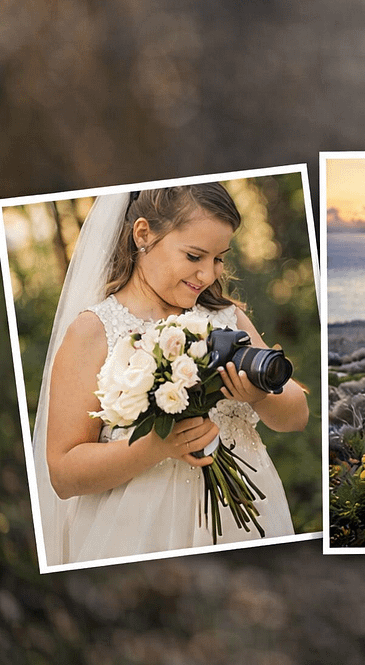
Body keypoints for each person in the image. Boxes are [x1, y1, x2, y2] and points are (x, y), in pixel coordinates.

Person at [35, 183, 309, 566]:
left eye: (219, 259)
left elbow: (297, 416)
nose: (208, 274)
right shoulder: (94, 330)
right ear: (143, 234)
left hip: (244, 520)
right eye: (194, 255)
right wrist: (156, 446)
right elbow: (63, 475)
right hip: (142, 530)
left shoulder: (225, 318)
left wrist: (260, 395)